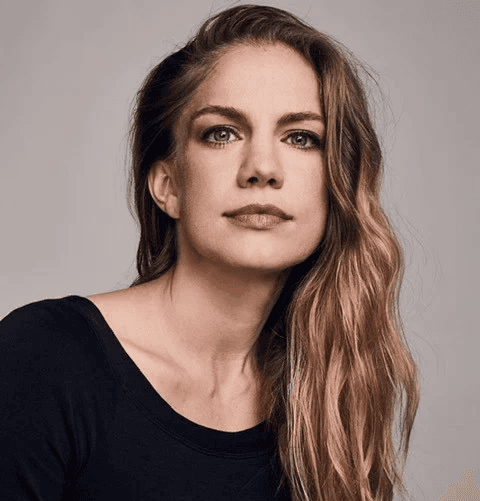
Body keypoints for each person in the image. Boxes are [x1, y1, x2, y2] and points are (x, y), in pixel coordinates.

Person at [0, 4, 420, 501]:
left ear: (336, 185)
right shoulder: (41, 358)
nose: (262, 168)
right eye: (222, 133)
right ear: (168, 184)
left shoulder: (330, 395)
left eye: (301, 138)